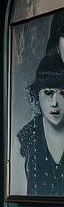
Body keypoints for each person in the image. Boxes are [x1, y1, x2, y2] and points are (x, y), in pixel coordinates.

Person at [18, 46, 64, 196]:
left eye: (63, 93)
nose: (54, 103)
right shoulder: (26, 137)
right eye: (48, 93)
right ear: (37, 94)